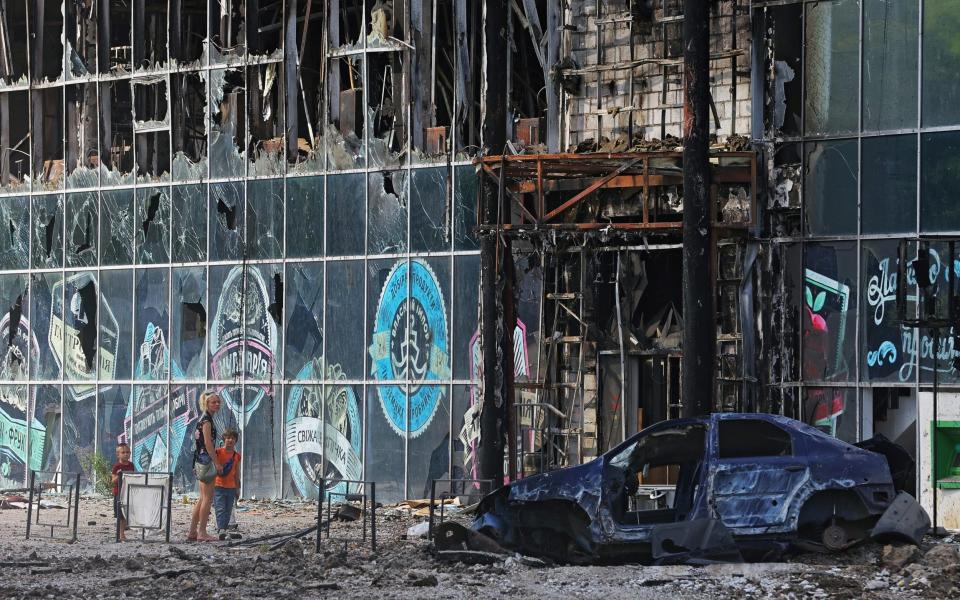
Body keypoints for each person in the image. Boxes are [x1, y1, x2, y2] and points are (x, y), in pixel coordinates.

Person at [188, 391, 223, 542]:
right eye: (213, 402)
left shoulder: (204, 419)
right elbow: (208, 443)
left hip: (200, 459)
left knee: (202, 498)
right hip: (206, 460)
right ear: (206, 404)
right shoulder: (207, 420)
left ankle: (192, 531)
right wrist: (216, 462)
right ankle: (202, 532)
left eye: (218, 402)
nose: (216, 404)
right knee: (208, 498)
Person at [213, 428, 241, 540]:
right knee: (220, 508)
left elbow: (237, 473)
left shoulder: (237, 456)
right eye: (228, 438)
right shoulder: (217, 453)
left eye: (232, 438)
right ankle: (221, 529)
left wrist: (238, 489)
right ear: (223, 439)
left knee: (228, 510)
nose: (230, 440)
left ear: (235, 441)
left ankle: (223, 529)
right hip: (218, 486)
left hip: (231, 487)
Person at [111, 442, 136, 541]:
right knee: (120, 515)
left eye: (128, 452)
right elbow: (112, 481)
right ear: (118, 454)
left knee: (126, 514)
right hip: (119, 493)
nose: (126, 454)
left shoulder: (131, 465)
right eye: (123, 452)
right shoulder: (116, 466)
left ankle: (123, 531)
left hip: (128, 492)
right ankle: (121, 534)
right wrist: (118, 475)